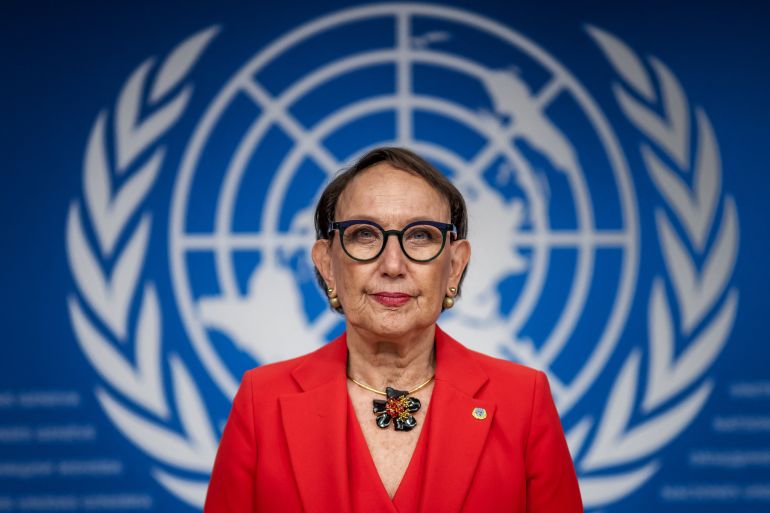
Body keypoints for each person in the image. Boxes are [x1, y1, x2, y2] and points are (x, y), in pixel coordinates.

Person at [204, 147, 583, 513]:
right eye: (364, 234)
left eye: (420, 235)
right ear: (327, 265)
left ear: (454, 266)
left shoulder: (523, 403)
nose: (392, 264)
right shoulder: (261, 402)